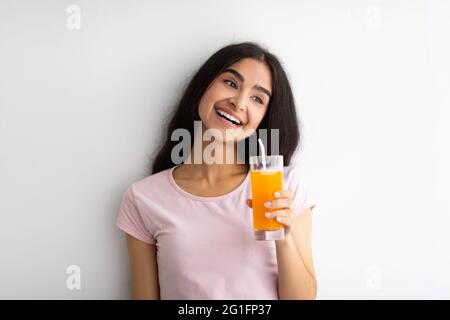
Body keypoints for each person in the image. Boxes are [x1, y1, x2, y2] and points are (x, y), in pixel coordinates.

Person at [116, 42, 317, 299]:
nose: (239, 102)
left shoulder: (285, 186)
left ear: (263, 118)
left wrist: (284, 238)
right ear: (204, 85)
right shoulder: (143, 198)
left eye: (257, 98)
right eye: (231, 83)